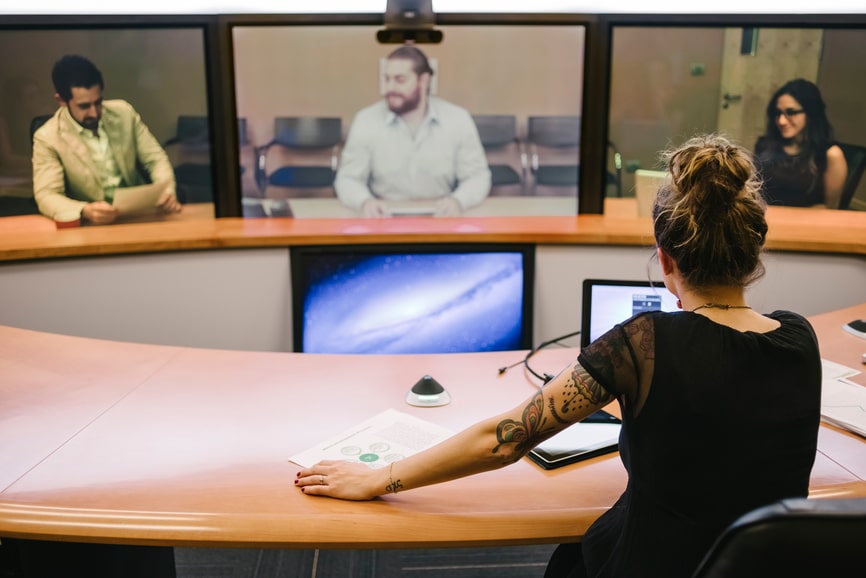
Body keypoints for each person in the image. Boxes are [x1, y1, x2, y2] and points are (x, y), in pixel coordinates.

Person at [296, 134, 822, 578]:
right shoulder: (800, 340)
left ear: (665, 258)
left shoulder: (644, 344)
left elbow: (502, 441)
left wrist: (378, 476)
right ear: (756, 250)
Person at [334, 45, 491, 217]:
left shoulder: (458, 119)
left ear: (423, 81)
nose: (389, 88)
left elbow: (477, 177)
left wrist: (458, 201)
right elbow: (348, 179)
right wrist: (364, 201)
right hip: (383, 217)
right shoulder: (366, 120)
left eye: (400, 80)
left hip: (442, 216)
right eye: (387, 79)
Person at [32, 54, 180, 224]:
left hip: (138, 214)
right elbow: (47, 195)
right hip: (93, 223)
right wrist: (84, 210)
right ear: (61, 101)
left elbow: (155, 159)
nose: (94, 113)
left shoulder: (124, 113)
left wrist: (167, 191)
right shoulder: (47, 137)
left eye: (98, 102)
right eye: (84, 106)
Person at [754, 78, 848, 208]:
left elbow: (830, 208)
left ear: (811, 113)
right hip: (766, 220)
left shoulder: (831, 154)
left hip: (807, 223)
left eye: (791, 112)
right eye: (778, 113)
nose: (781, 121)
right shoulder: (765, 145)